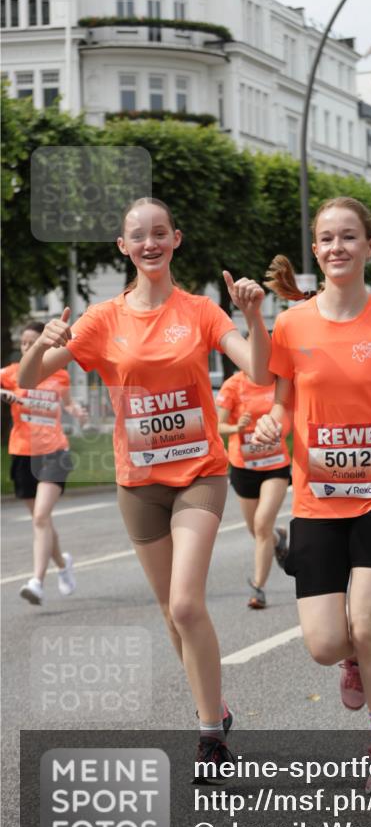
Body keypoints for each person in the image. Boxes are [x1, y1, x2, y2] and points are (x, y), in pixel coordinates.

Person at [18, 197, 271, 777]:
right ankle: (217, 707)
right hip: (137, 483)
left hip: (198, 473)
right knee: (168, 610)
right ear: (123, 246)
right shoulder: (103, 319)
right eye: (140, 236)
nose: (151, 243)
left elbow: (257, 371)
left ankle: (211, 739)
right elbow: (31, 377)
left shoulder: (202, 311)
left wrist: (254, 316)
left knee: (186, 602)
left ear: (176, 239)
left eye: (161, 233)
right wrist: (43, 339)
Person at [253, 196, 371, 791]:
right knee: (326, 643)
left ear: (370, 247)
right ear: (316, 250)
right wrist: (270, 426)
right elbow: (282, 404)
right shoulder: (292, 324)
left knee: (369, 625)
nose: (337, 247)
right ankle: (351, 662)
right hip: (316, 500)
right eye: (327, 238)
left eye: (349, 237)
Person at [1, 320, 85, 604]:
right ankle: (62, 564)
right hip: (23, 453)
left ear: (45, 345)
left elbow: (68, 403)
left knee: (39, 517)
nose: (26, 347)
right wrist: (5, 394)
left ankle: (37, 581)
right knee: (42, 520)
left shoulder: (59, 375)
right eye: (22, 343)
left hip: (54, 453)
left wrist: (78, 411)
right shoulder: (12, 373)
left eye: (31, 342)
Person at [216, 369, 290, 609]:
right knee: (257, 531)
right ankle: (279, 539)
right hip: (244, 466)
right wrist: (237, 427)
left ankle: (258, 588)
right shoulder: (233, 385)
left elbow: (292, 413)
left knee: (261, 524)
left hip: (275, 464)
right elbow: (218, 426)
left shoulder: (280, 382)